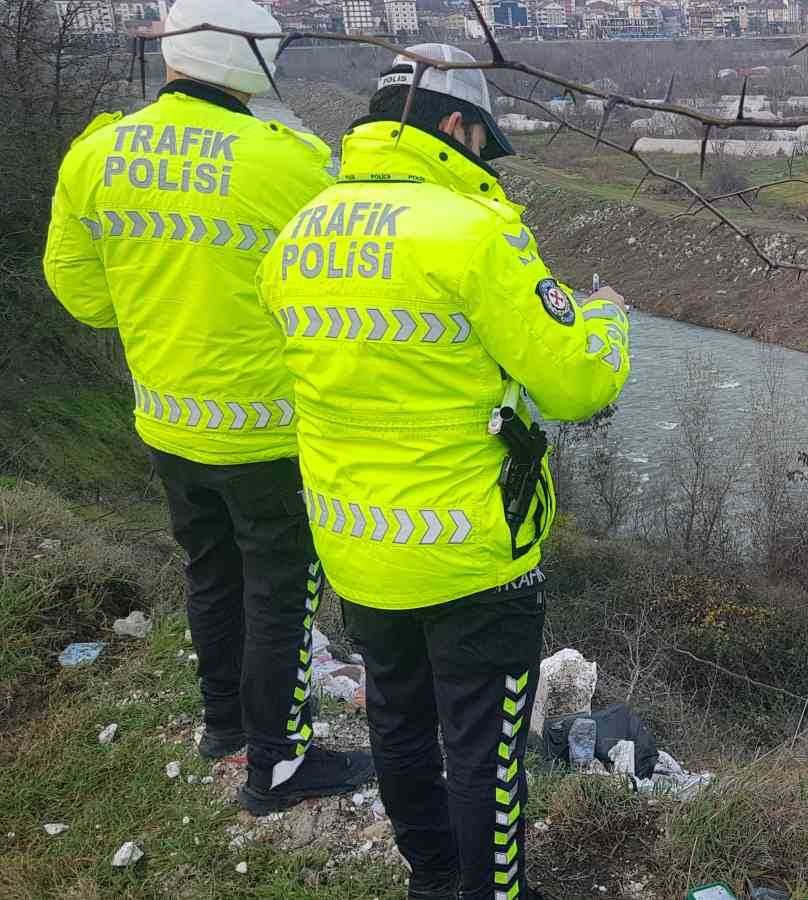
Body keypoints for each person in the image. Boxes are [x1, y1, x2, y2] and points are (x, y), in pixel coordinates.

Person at [255, 44, 630, 900]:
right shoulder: (472, 231)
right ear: (455, 125)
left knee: (396, 723)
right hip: (471, 551)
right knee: (485, 750)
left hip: (357, 538)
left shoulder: (303, 229)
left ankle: (432, 879)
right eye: (480, 142)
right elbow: (575, 383)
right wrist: (608, 322)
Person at [42, 0, 373, 814]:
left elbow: (80, 292)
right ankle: (279, 763)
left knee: (211, 574)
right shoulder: (290, 161)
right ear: (250, 60)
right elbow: (341, 287)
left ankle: (224, 724)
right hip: (269, 432)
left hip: (166, 418)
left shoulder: (97, 152)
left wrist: (163, 315)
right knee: (280, 589)